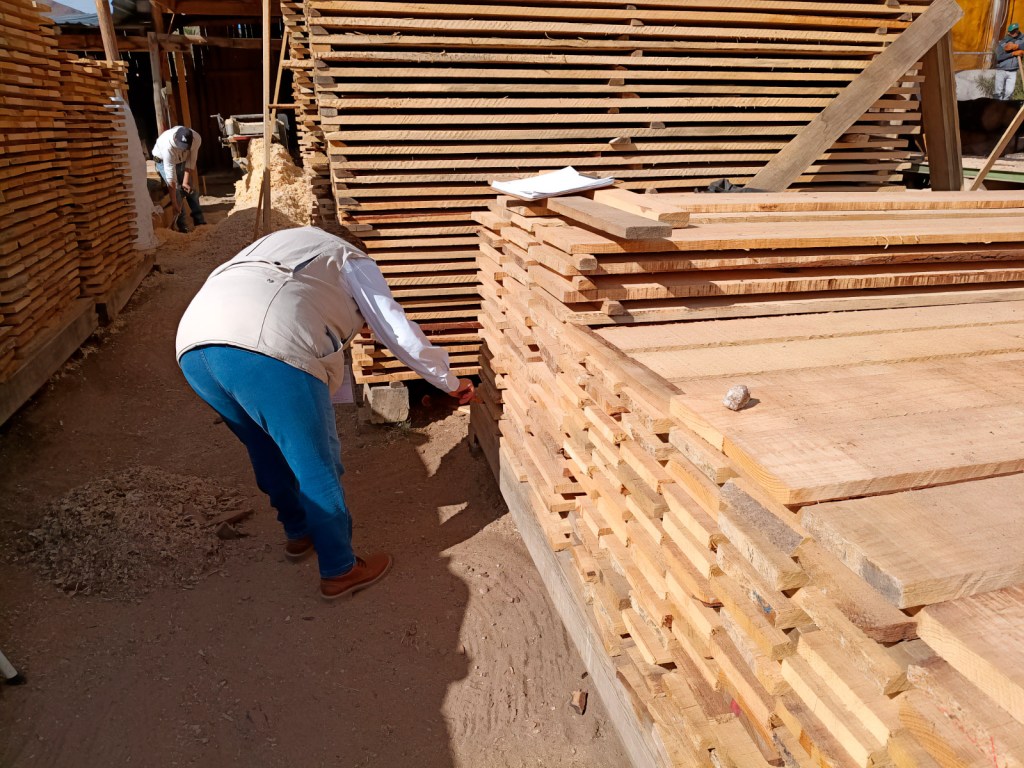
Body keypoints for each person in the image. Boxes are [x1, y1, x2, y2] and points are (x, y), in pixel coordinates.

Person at [175, 226, 475, 600]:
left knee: (265, 447)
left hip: (194, 347)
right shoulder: (351, 257)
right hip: (266, 346)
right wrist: (449, 381)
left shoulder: (280, 246)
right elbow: (396, 331)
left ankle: (299, 533)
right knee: (316, 462)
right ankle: (339, 569)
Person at [152, 125, 206, 232]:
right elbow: (171, 177)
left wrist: (185, 182)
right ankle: (183, 227)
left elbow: (191, 161)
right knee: (177, 194)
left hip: (181, 161)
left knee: (192, 191)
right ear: (175, 139)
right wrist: (174, 202)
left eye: (185, 147)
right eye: (181, 146)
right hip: (163, 161)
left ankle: (199, 221)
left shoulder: (196, 138)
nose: (183, 148)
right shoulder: (166, 146)